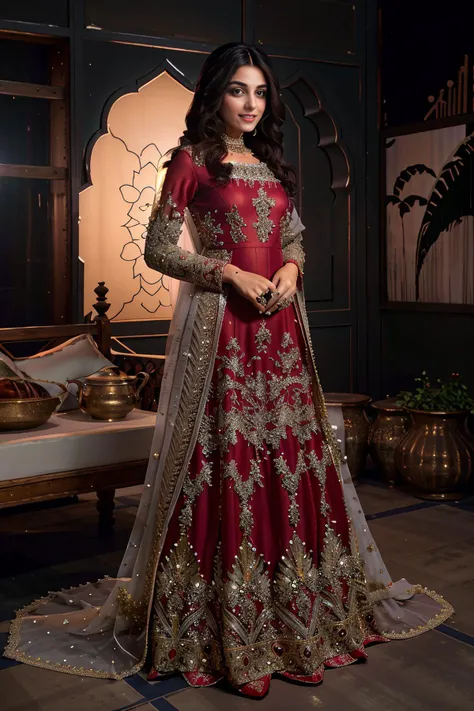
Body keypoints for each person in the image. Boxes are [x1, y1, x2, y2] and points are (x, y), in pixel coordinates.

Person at [4, 42, 452, 700]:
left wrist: (291, 270)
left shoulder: (270, 160)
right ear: (215, 92)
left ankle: (302, 614)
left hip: (281, 330)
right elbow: (160, 248)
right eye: (239, 90)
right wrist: (229, 271)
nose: (251, 104)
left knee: (291, 460)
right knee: (230, 462)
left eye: (261, 92)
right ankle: (225, 628)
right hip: (224, 333)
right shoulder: (190, 161)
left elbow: (292, 235)